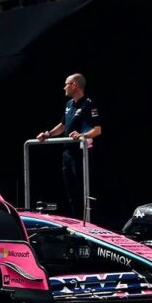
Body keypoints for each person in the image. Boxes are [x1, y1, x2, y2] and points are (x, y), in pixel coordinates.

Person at [36, 73, 101, 218]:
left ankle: (91, 225)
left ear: (74, 85)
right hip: (67, 154)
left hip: (82, 154)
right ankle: (77, 225)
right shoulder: (69, 104)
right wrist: (48, 134)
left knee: (84, 192)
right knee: (71, 194)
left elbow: (97, 130)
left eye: (66, 84)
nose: (64, 87)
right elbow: (63, 125)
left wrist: (82, 135)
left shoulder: (88, 104)